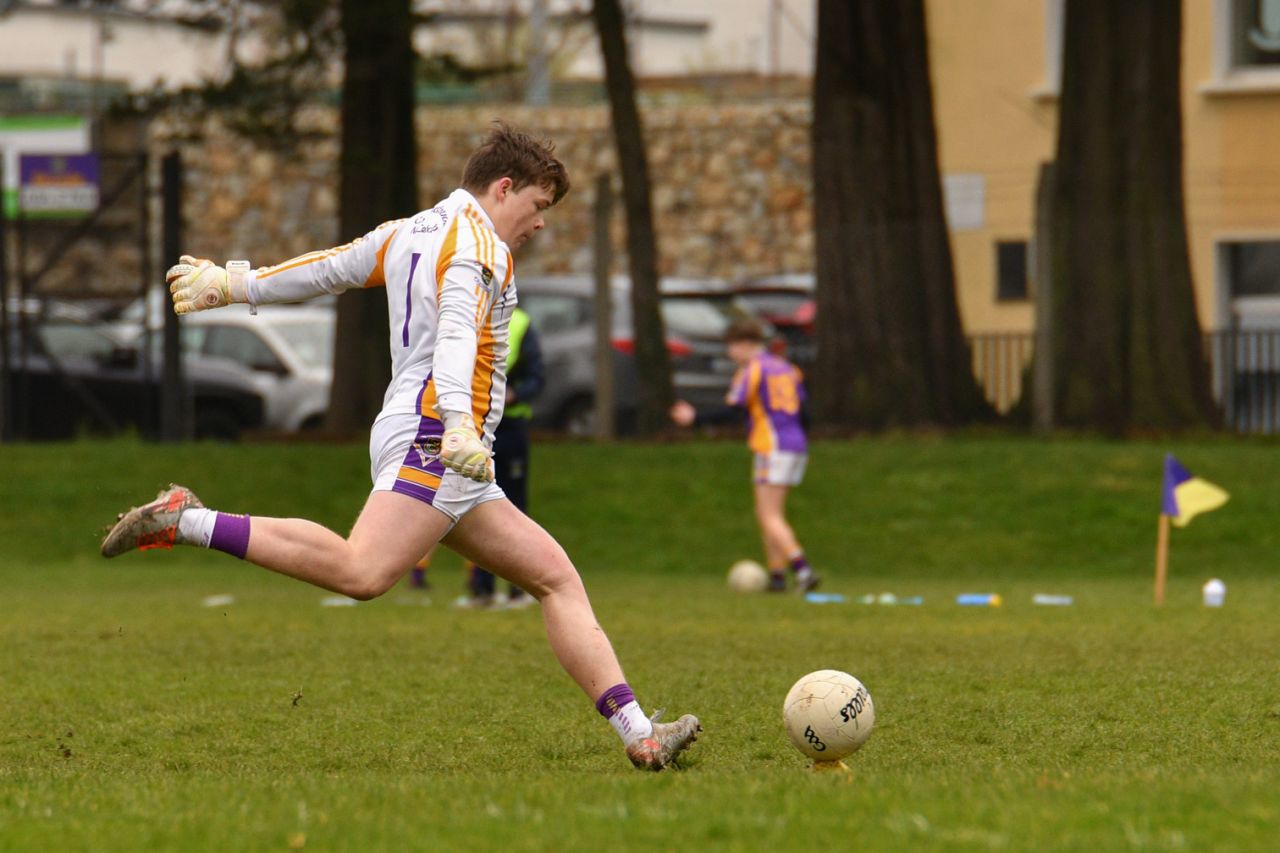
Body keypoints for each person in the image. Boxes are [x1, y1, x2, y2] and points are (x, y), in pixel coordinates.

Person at [101, 124, 700, 770]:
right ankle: (185, 518)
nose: (540, 224)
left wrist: (237, 282)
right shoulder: (482, 248)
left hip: (433, 436)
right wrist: (462, 427)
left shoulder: (410, 229)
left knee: (555, 578)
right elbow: (456, 337)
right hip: (439, 435)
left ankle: (640, 733)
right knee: (364, 572)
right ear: (504, 188)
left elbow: (329, 268)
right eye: (539, 205)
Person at [671, 318, 819, 593]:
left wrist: (695, 419)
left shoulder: (753, 369)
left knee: (769, 515)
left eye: (731, 347)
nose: (730, 354)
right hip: (796, 443)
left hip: (771, 444)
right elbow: (806, 412)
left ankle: (802, 569)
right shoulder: (787, 368)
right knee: (771, 513)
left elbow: (734, 410)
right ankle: (777, 577)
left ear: (743, 344)